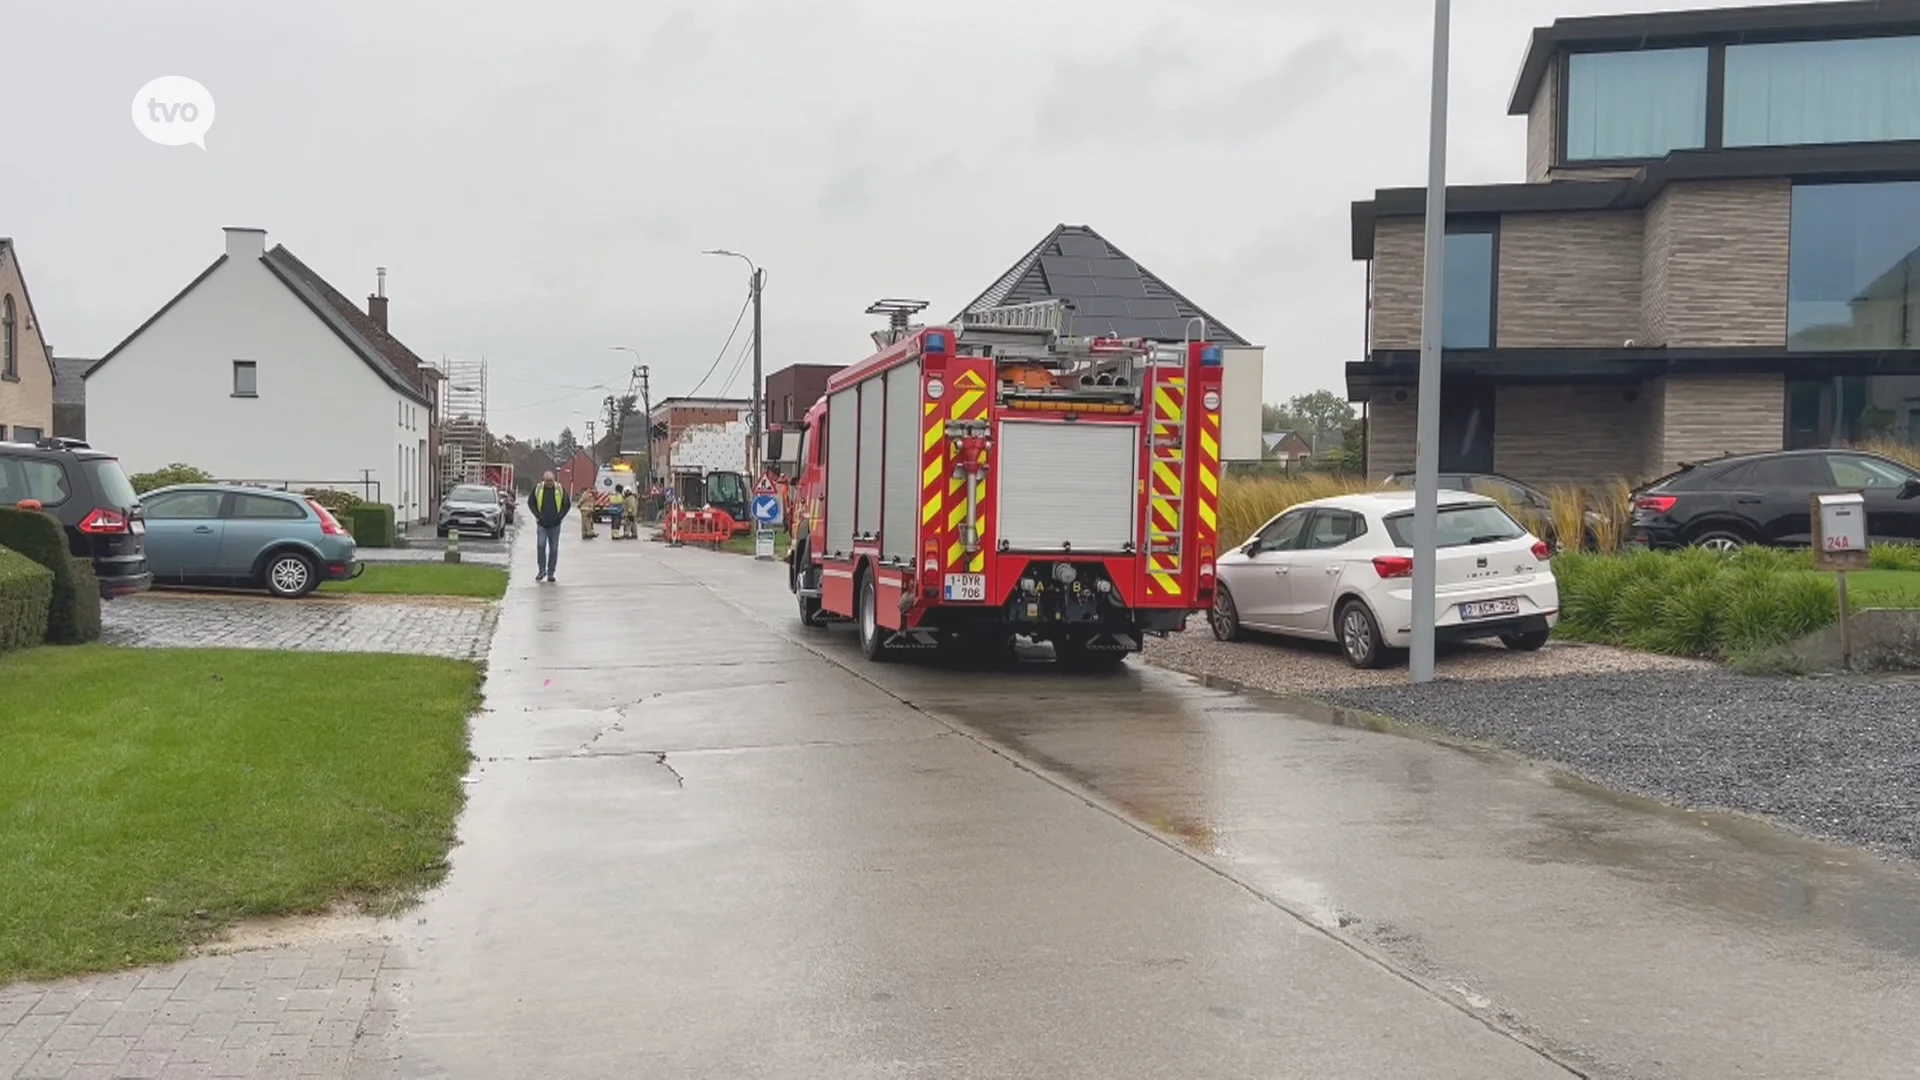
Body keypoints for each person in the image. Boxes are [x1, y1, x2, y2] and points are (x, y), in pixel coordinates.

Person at [527, 471, 571, 582]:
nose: (549, 483)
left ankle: (551, 572)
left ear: (554, 480)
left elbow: (567, 504)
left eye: (551, 481)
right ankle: (541, 570)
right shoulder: (538, 489)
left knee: (554, 549)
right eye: (547, 481)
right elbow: (531, 502)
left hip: (555, 525)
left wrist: (560, 516)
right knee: (541, 546)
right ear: (543, 480)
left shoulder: (559, 489)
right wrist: (537, 515)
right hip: (542, 524)